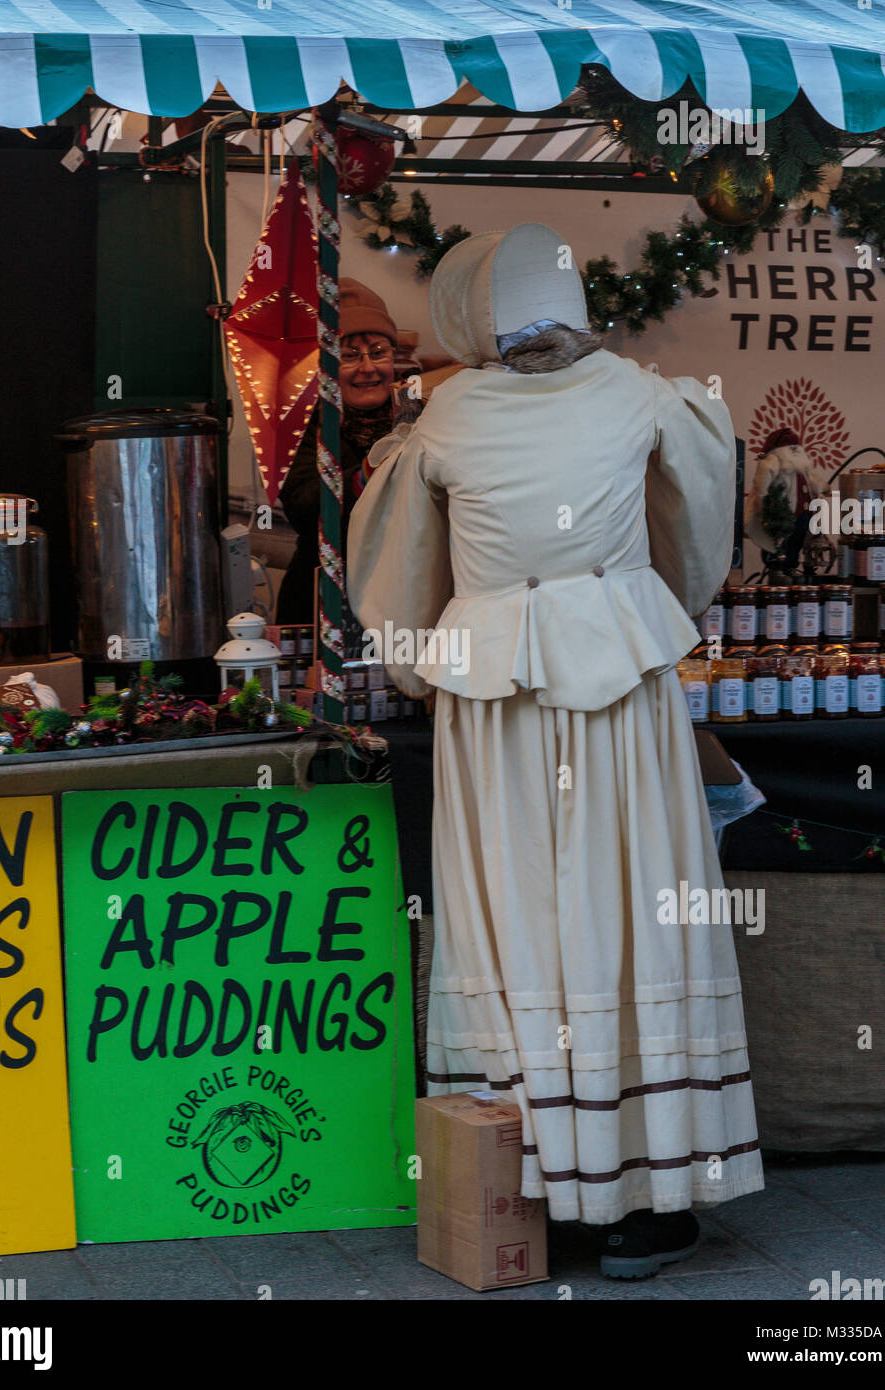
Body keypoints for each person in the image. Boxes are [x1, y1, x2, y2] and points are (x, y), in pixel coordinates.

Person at [348, 223, 764, 1279]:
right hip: (619, 691)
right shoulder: (640, 397)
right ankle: (648, 1189)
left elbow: (399, 593)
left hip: (498, 705)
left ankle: (532, 1177)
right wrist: (635, 592)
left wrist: (431, 647)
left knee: (520, 918)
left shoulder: (443, 416)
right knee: (630, 912)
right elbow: (696, 539)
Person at [275, 278, 399, 626]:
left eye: (378, 352)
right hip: (321, 600)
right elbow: (304, 507)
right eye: (348, 356)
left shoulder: (418, 415)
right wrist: (369, 472)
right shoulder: (304, 424)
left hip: (404, 596)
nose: (367, 368)